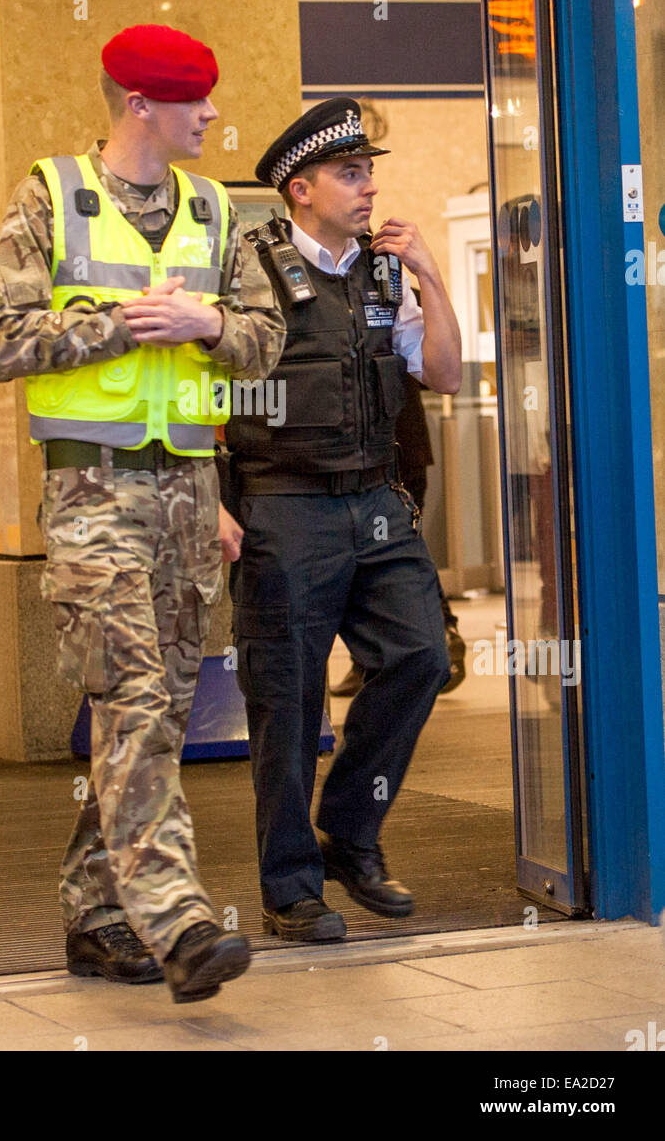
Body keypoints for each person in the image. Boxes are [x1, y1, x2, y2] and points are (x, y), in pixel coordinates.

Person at [0, 24, 285, 1002]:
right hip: (92, 494)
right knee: (134, 702)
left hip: (191, 499)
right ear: (141, 106)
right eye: (195, 100)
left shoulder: (212, 210)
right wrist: (116, 325)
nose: (211, 114)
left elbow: (267, 339)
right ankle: (178, 922)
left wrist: (209, 324)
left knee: (146, 714)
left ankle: (99, 915)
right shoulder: (50, 197)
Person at [223, 97, 462, 943]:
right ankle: (291, 888)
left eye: (368, 174)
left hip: (374, 501)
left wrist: (432, 276)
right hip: (281, 504)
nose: (366, 190)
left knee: (421, 657)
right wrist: (216, 504)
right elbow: (204, 391)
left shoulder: (385, 271)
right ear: (300, 189)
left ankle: (350, 834)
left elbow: (445, 375)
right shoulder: (247, 269)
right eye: (349, 174)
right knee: (285, 701)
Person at [332, 346, 467, 698]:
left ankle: (439, 634)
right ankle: (373, 659)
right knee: (387, 552)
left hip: (394, 454)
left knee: (393, 552)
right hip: (385, 452)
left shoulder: (394, 300)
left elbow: (438, 374)